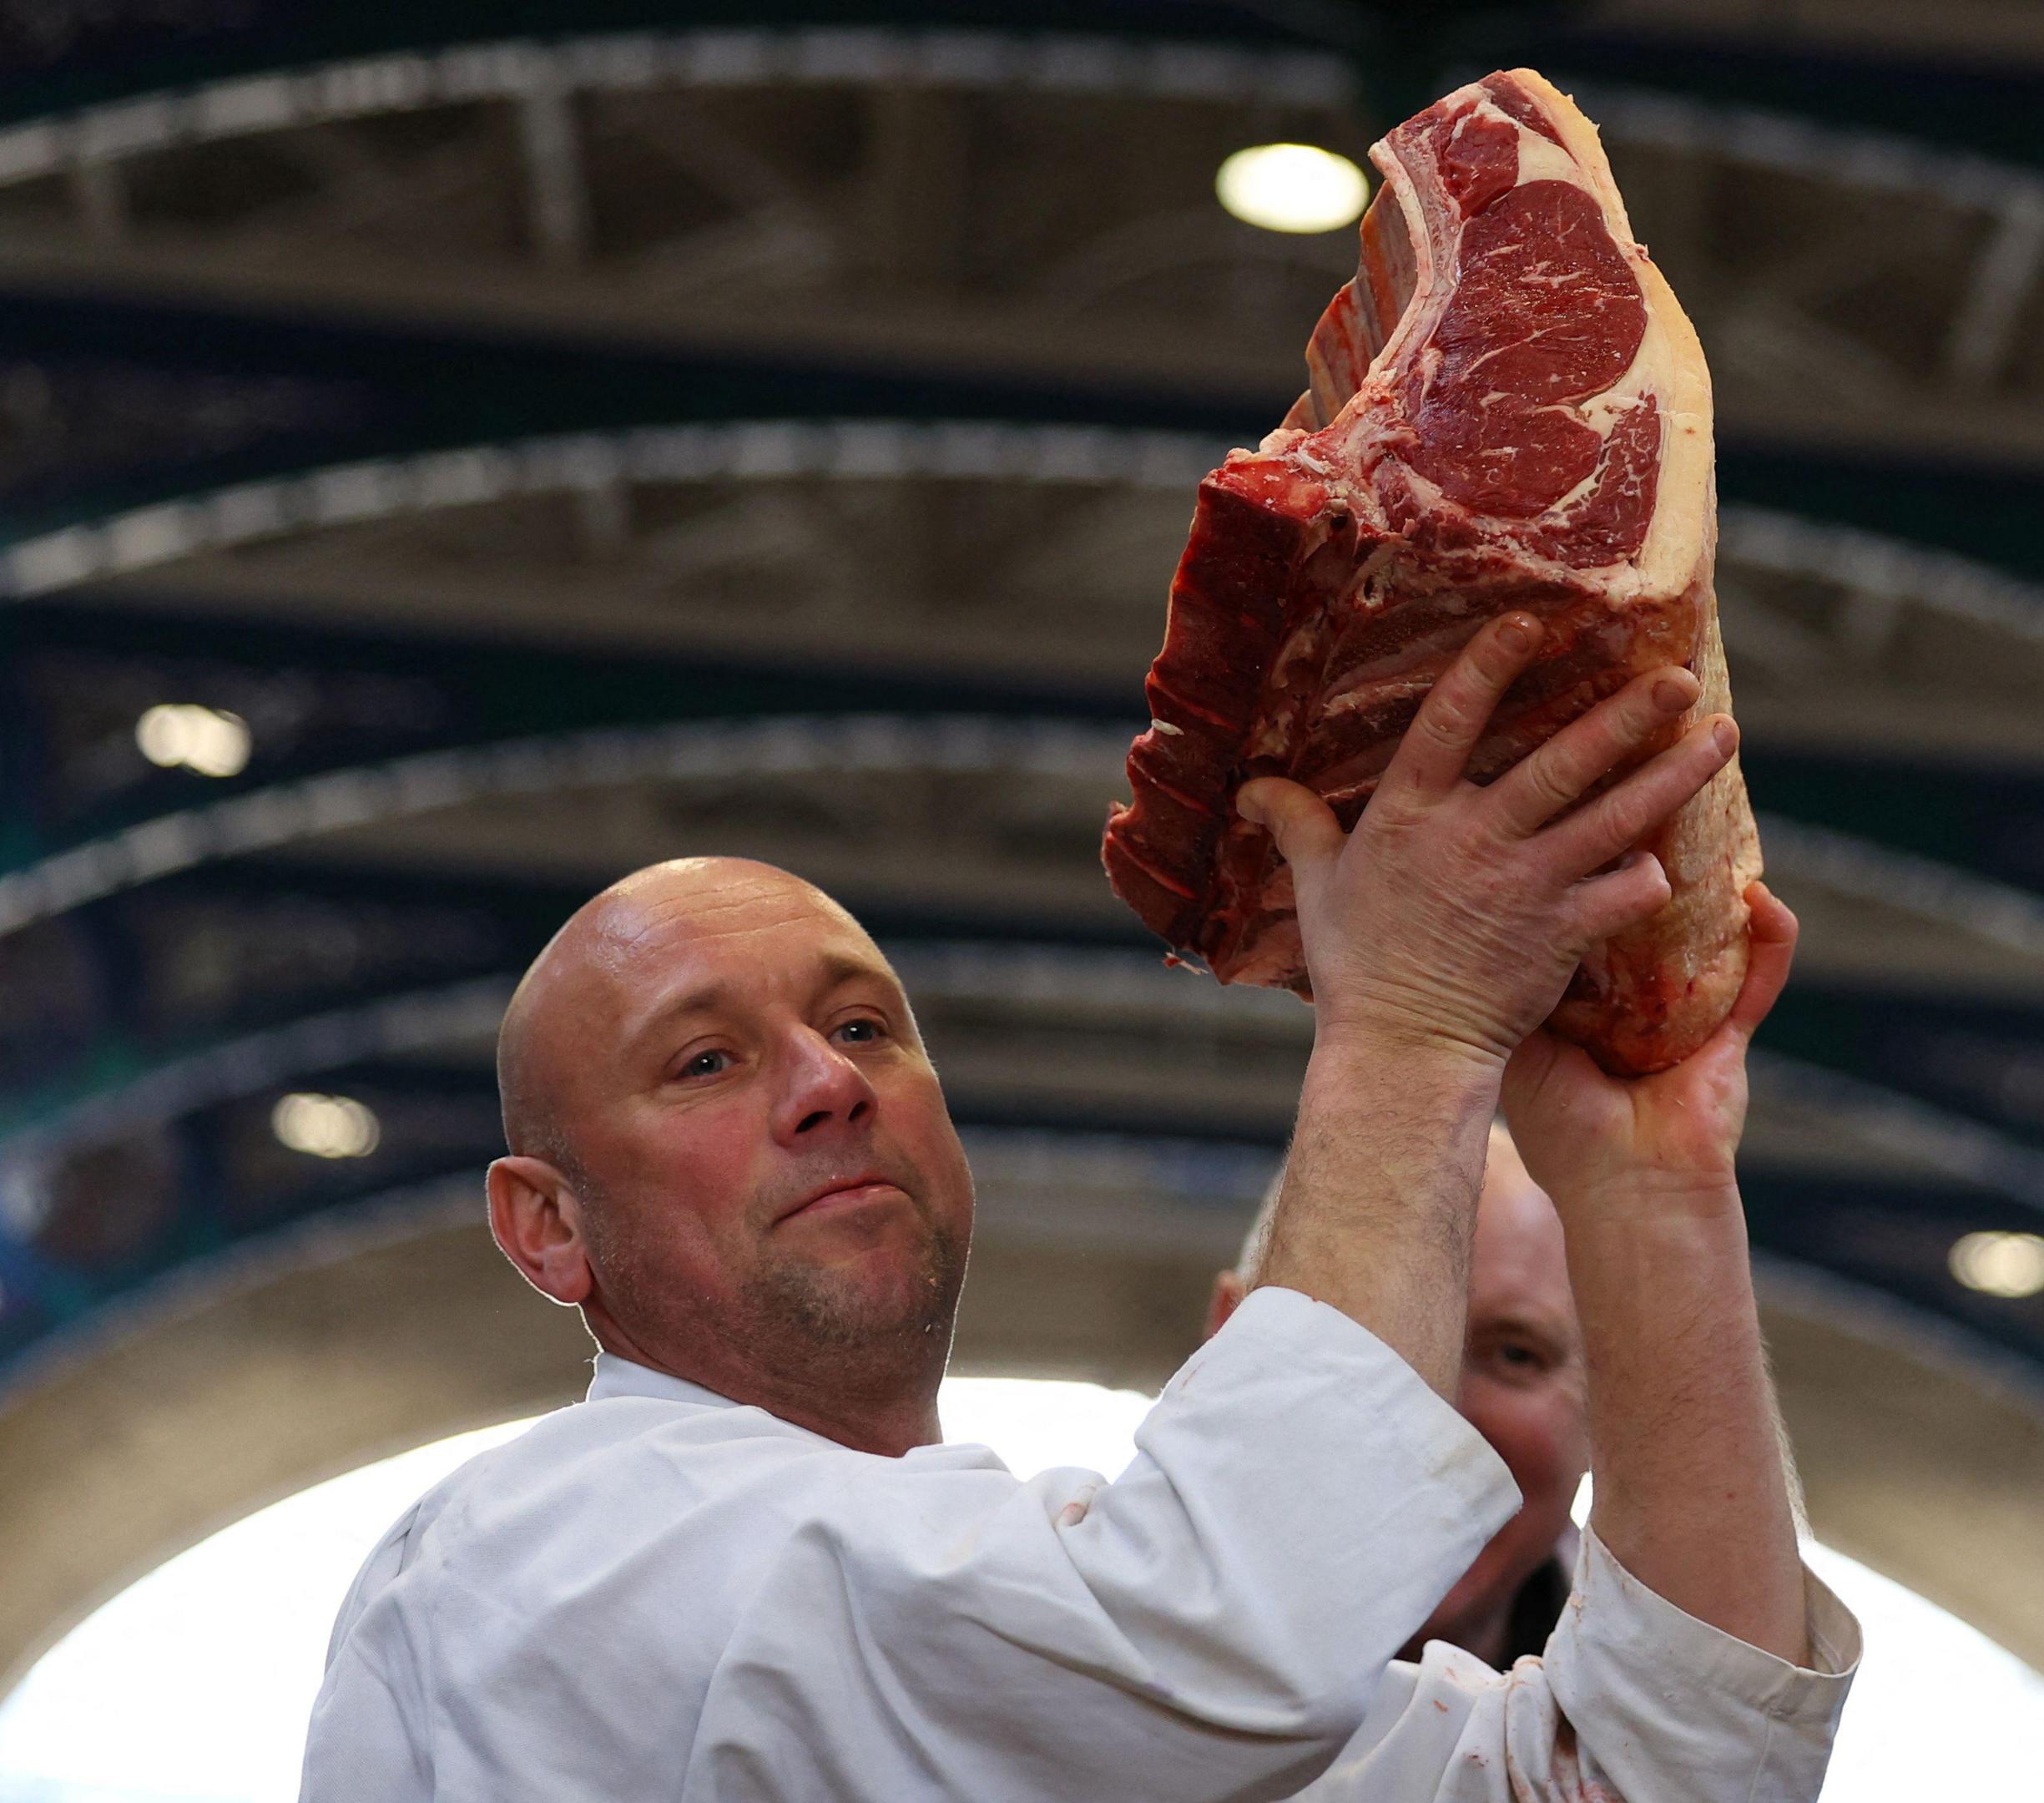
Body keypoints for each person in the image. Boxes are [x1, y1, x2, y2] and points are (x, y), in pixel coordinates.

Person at [299, 614, 1857, 1800]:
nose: (827, 1086)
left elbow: (1658, 1774)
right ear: (544, 1229)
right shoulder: (555, 1546)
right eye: (703, 1061)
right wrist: (1414, 1029)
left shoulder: (1007, 1631)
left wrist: (1650, 1186)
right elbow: (1223, 1624)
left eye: (861, 1027)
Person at [1208, 1124, 1591, 1672]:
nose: (1429, 1423)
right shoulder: (1054, 1670)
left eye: (1513, 1354)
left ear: (1608, 1416)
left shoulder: (1672, 1746)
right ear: (1224, 1336)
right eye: (1361, 1333)